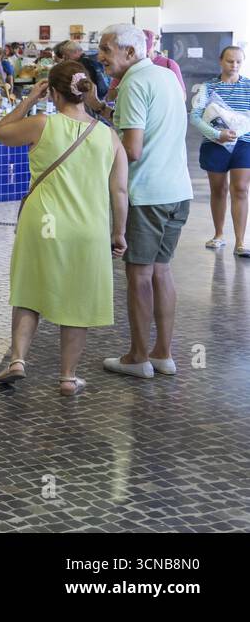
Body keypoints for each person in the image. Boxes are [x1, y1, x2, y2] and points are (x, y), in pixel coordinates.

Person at [0, 61, 129, 395]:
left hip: (43, 224)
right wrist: (119, 233)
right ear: (87, 91)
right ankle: (68, 377)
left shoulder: (41, 124)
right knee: (77, 301)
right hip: (89, 228)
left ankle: (18, 361)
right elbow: (120, 191)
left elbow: (0, 131)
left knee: (29, 292)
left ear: (53, 92)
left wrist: (28, 100)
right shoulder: (109, 136)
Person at [85, 23, 193, 380]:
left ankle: (137, 356)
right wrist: (101, 110)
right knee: (162, 271)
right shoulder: (166, 78)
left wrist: (98, 152)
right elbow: (146, 128)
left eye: (106, 49)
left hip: (146, 195)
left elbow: (131, 149)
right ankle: (163, 353)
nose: (100, 57)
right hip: (178, 191)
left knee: (139, 276)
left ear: (130, 52)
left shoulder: (133, 83)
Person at [190, 45, 250, 255]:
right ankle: (218, 234)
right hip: (215, 144)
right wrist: (217, 135)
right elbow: (195, 116)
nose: (234, 65)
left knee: (241, 189)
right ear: (220, 61)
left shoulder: (249, 86)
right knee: (219, 190)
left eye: (238, 62)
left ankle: (241, 242)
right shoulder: (207, 87)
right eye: (229, 61)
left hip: (244, 144)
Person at [144, 29, 185, 97]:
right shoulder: (133, 64)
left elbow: (182, 96)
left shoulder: (169, 64)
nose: (145, 54)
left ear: (154, 44)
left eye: (147, 50)